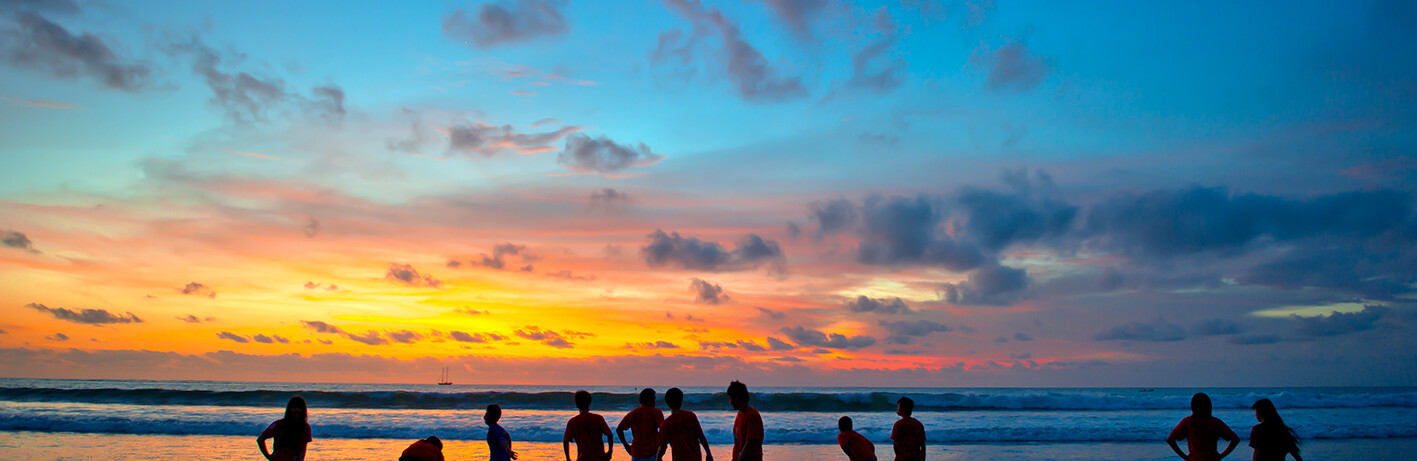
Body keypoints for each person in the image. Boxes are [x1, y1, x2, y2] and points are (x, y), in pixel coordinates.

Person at [1167, 393, 1240, 461]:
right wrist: (1221, 456)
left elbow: (1170, 439)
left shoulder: (1188, 422)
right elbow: (1235, 439)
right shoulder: (1215, 422)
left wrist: (1185, 457)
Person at [657, 387, 713, 461]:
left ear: (667, 403)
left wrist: (658, 458)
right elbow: (701, 436)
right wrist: (708, 453)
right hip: (696, 457)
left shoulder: (667, 423)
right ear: (681, 401)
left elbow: (662, 447)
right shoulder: (691, 416)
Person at [258, 396, 312, 461]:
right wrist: (268, 456)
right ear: (289, 409)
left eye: (299, 408)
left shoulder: (305, 427)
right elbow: (260, 439)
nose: (296, 410)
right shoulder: (278, 424)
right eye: (294, 408)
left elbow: (303, 448)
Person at [564, 390, 614, 461]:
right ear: (589, 403)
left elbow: (566, 440)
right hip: (599, 458)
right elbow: (610, 435)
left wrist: (568, 458)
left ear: (576, 405)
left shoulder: (573, 422)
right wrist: (610, 451)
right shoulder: (598, 418)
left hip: (583, 458)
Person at [618, 388, 665, 461]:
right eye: (654, 398)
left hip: (636, 453)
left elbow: (619, 429)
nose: (655, 401)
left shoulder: (633, 413)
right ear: (651, 399)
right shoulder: (656, 413)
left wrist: (626, 445)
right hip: (652, 453)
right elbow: (664, 430)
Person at [727, 380, 762, 461]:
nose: (730, 402)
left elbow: (750, 443)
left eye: (731, 398)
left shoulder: (752, 415)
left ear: (737, 398)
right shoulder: (740, 415)